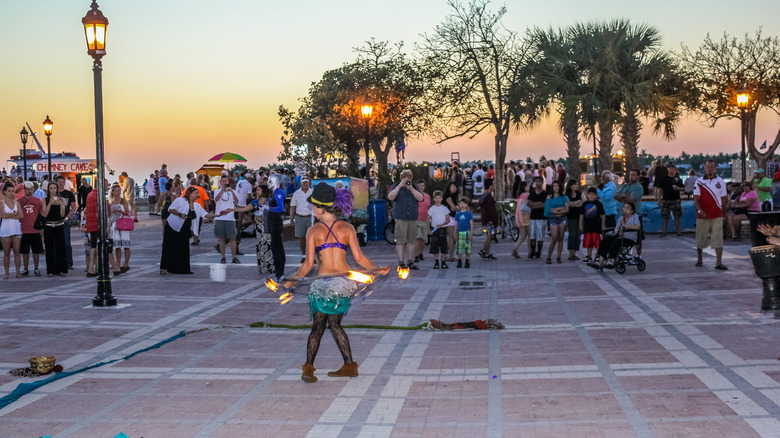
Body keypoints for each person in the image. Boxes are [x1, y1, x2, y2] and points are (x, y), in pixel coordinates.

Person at [284, 182, 389, 383]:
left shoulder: (313, 231)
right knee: (334, 325)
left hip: (323, 287)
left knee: (318, 327)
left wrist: (292, 282)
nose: (311, 208)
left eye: (313, 205)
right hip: (342, 285)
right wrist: (376, 268)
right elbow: (359, 259)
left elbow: (307, 265)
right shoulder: (347, 227)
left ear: (321, 208)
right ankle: (349, 365)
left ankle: (308, 369)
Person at [160, 187, 222, 275]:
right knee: (169, 246)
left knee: (183, 248)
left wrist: (218, 215)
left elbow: (205, 214)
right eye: (196, 193)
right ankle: (164, 267)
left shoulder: (197, 205)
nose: (198, 195)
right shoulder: (180, 200)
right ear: (190, 193)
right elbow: (170, 209)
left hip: (185, 228)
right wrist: (179, 214)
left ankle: (181, 269)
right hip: (173, 226)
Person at [694, 160, 728, 270]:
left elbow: (724, 198)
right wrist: (700, 210)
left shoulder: (721, 181)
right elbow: (696, 199)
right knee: (701, 238)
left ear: (715, 168)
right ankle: (699, 259)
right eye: (708, 166)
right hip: (703, 215)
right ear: (704, 168)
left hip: (716, 215)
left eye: (712, 166)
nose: (710, 169)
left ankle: (718, 262)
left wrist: (721, 210)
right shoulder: (699, 182)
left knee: (718, 238)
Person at [232, 185, 273, 274]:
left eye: (258, 190)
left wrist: (265, 218)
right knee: (260, 246)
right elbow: (245, 208)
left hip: (268, 227)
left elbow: (275, 213)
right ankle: (263, 267)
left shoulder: (270, 201)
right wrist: (232, 209)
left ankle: (271, 266)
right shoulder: (255, 202)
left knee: (270, 246)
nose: (257, 191)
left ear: (264, 191)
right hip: (259, 227)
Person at [387, 169, 424, 270]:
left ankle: (410, 261)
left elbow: (421, 198)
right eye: (404, 178)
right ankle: (401, 262)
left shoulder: (415, 187)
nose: (406, 180)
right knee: (400, 241)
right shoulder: (396, 186)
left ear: (411, 178)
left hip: (412, 217)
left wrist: (411, 188)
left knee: (411, 241)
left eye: (408, 178)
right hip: (400, 218)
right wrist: (399, 186)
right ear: (401, 178)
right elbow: (390, 197)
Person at [590, 202, 641, 271]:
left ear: (632, 211)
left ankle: (611, 261)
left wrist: (625, 226)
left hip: (630, 238)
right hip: (620, 237)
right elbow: (616, 229)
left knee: (617, 241)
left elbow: (637, 226)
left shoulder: (635, 216)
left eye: (628, 208)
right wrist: (618, 231)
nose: (625, 209)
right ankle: (600, 261)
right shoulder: (621, 218)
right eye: (624, 207)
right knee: (605, 240)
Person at [614, 169, 644, 259]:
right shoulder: (625, 185)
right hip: (624, 215)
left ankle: (638, 255)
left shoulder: (638, 187)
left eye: (634, 175)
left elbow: (631, 199)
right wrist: (625, 196)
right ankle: (626, 254)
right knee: (624, 235)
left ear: (638, 176)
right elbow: (616, 195)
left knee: (638, 238)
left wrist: (622, 197)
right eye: (630, 175)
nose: (631, 176)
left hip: (636, 214)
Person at [41, 182, 68, 277]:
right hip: (49, 226)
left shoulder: (61, 199)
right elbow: (44, 214)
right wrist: (50, 203)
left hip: (59, 225)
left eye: (54, 188)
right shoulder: (45, 200)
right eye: (51, 188)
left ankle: (61, 269)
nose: (53, 190)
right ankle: (50, 270)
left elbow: (62, 215)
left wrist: (61, 204)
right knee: (49, 248)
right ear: (48, 190)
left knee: (60, 248)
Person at [213, 175, 240, 264]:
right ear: (220, 182)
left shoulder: (233, 191)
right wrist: (221, 190)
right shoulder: (217, 191)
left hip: (230, 218)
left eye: (226, 181)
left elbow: (236, 201)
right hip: (220, 218)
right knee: (221, 238)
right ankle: (223, 257)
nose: (224, 183)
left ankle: (234, 257)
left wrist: (232, 191)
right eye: (223, 181)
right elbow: (216, 200)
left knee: (232, 238)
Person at [18, 182, 43, 276]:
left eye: (31, 189)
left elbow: (41, 214)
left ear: (33, 189)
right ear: (24, 190)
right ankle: (25, 268)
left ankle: (36, 268)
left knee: (36, 251)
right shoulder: (19, 201)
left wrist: (41, 228)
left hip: (35, 229)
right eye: (27, 189)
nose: (29, 191)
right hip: (24, 229)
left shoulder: (38, 201)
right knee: (25, 251)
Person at [0, 181, 23, 279]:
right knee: (6, 252)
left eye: (13, 191)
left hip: (16, 227)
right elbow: (3, 216)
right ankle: (6, 272)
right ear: (4, 192)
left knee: (17, 250)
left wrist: (11, 215)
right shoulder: (2, 203)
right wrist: (14, 214)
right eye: (9, 191)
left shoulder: (16, 202)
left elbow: (21, 215)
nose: (11, 193)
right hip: (5, 229)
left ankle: (18, 272)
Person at [267, 173, 287, 281]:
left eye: (270, 181)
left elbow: (280, 208)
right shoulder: (274, 193)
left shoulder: (279, 192)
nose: (268, 183)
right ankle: (278, 273)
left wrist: (268, 208)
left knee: (277, 249)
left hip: (276, 224)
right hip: (273, 224)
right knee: (276, 248)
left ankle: (280, 273)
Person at [657, 162, 685, 237]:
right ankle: (664, 232)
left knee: (677, 216)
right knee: (665, 217)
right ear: (668, 169)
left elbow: (683, 188)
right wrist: (659, 199)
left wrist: (678, 188)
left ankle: (678, 232)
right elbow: (660, 189)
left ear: (675, 169)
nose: (671, 170)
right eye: (670, 168)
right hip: (666, 199)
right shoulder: (664, 179)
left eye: (673, 168)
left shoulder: (678, 179)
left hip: (676, 200)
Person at [544, 180, 569, 264]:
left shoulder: (564, 197)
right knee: (554, 238)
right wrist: (558, 210)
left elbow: (566, 209)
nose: (556, 188)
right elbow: (548, 209)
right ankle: (549, 256)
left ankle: (559, 256)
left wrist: (557, 210)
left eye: (557, 186)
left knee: (561, 237)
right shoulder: (549, 197)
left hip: (562, 218)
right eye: (554, 186)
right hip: (553, 219)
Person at [289, 177, 313, 264]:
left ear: (309, 183)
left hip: (310, 217)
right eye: (304, 183)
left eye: (307, 182)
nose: (305, 184)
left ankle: (311, 256)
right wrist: (291, 219)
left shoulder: (312, 192)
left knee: (311, 239)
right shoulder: (296, 193)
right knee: (301, 238)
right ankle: (304, 256)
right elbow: (293, 207)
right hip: (300, 217)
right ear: (301, 183)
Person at [108, 184, 131, 274]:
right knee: (117, 245)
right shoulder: (110, 202)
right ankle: (117, 263)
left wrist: (120, 211)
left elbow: (127, 212)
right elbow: (110, 215)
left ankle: (126, 264)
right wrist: (108, 227)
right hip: (114, 224)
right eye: (116, 190)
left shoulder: (123, 200)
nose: (118, 192)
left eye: (119, 190)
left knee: (126, 244)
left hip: (123, 223)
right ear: (112, 192)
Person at [580, 187, 605, 264]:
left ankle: (598, 256)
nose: (591, 196)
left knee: (597, 242)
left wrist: (603, 224)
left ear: (596, 196)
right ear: (587, 195)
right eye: (590, 194)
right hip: (587, 226)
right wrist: (580, 224)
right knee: (588, 242)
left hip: (596, 226)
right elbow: (581, 215)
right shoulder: (584, 204)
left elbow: (603, 214)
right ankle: (589, 256)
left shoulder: (599, 204)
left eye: (593, 195)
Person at [57, 175, 77, 270]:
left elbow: (73, 207)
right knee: (55, 243)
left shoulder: (69, 194)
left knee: (66, 242)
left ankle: (69, 263)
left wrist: (67, 217)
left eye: (62, 182)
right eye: (59, 182)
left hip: (65, 221)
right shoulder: (53, 193)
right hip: (55, 221)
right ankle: (57, 262)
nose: (60, 184)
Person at [428, 190, 451, 269]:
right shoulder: (431, 209)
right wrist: (429, 229)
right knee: (435, 245)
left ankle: (443, 262)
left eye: (439, 198)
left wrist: (441, 225)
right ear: (434, 199)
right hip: (434, 228)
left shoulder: (444, 208)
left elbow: (448, 219)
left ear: (441, 198)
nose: (438, 200)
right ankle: (436, 262)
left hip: (442, 229)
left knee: (443, 245)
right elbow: (428, 219)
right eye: (436, 198)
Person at [526, 177, 548, 259]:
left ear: (542, 182)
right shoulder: (532, 193)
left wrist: (534, 205)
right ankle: (532, 251)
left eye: (539, 181)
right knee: (532, 235)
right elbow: (528, 203)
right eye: (536, 181)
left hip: (541, 217)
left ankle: (539, 252)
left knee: (540, 235)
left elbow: (545, 205)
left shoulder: (545, 193)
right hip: (533, 217)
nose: (538, 183)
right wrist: (539, 204)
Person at [234, 173, 254, 255]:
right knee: (248, 221)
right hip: (242, 206)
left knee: (238, 226)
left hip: (236, 205)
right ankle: (235, 248)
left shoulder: (239, 182)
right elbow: (249, 196)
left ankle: (240, 228)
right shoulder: (249, 184)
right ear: (248, 178)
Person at [478, 181, 498, 260]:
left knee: (488, 235)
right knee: (489, 236)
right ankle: (486, 252)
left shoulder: (483, 195)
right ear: (490, 186)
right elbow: (492, 210)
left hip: (485, 218)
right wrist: (495, 221)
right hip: (489, 219)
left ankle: (485, 251)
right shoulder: (489, 197)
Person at [511, 181, 530, 259]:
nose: (529, 187)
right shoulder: (526, 195)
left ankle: (515, 248)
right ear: (524, 187)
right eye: (528, 186)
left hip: (519, 217)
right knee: (530, 235)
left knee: (523, 235)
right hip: (526, 217)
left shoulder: (520, 196)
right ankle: (530, 252)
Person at [565, 179, 583, 260]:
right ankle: (570, 253)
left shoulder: (580, 193)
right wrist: (578, 202)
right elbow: (569, 204)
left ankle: (575, 253)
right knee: (572, 234)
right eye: (575, 184)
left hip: (579, 217)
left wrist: (576, 204)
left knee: (577, 235)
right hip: (571, 217)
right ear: (571, 186)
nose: (577, 186)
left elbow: (584, 202)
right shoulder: (567, 195)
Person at [413, 179, 430, 264]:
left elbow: (428, 208)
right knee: (416, 238)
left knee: (423, 239)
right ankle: (415, 255)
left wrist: (428, 223)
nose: (421, 187)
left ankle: (420, 253)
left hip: (424, 219)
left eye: (423, 186)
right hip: (415, 219)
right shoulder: (414, 195)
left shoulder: (427, 196)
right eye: (420, 186)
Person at [454, 197, 473, 268]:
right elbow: (456, 224)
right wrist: (454, 233)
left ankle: (467, 261)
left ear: (467, 205)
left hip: (467, 232)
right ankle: (459, 261)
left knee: (467, 248)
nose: (462, 205)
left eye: (464, 204)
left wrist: (471, 233)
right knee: (459, 248)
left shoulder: (469, 214)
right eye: (461, 203)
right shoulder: (457, 214)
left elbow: (471, 224)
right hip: (460, 232)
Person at [443, 182, 459, 262]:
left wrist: (456, 207)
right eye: (452, 186)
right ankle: (451, 256)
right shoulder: (448, 196)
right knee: (451, 237)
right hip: (449, 218)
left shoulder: (453, 196)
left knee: (451, 237)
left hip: (452, 217)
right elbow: (453, 207)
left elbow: (455, 208)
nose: (454, 188)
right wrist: (457, 207)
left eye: (455, 186)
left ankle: (448, 255)